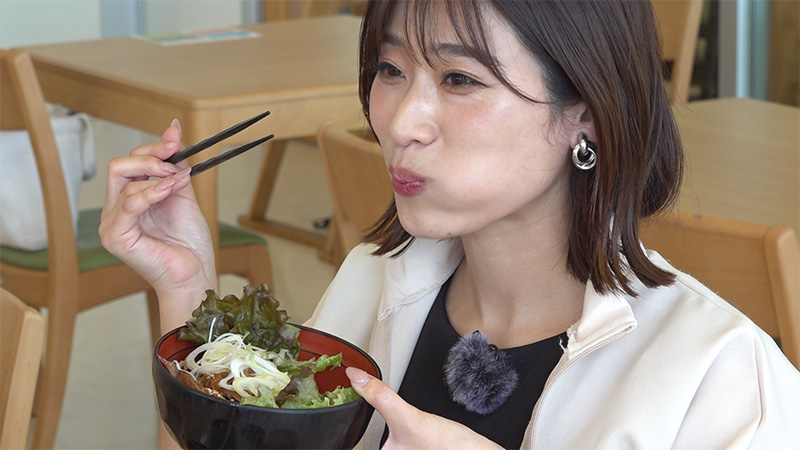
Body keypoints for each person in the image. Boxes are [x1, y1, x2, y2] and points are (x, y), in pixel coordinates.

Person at [101, 0, 800, 448]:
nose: (401, 122)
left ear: (586, 110)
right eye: (390, 68)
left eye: (460, 80)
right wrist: (187, 291)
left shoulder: (722, 378)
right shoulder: (372, 280)